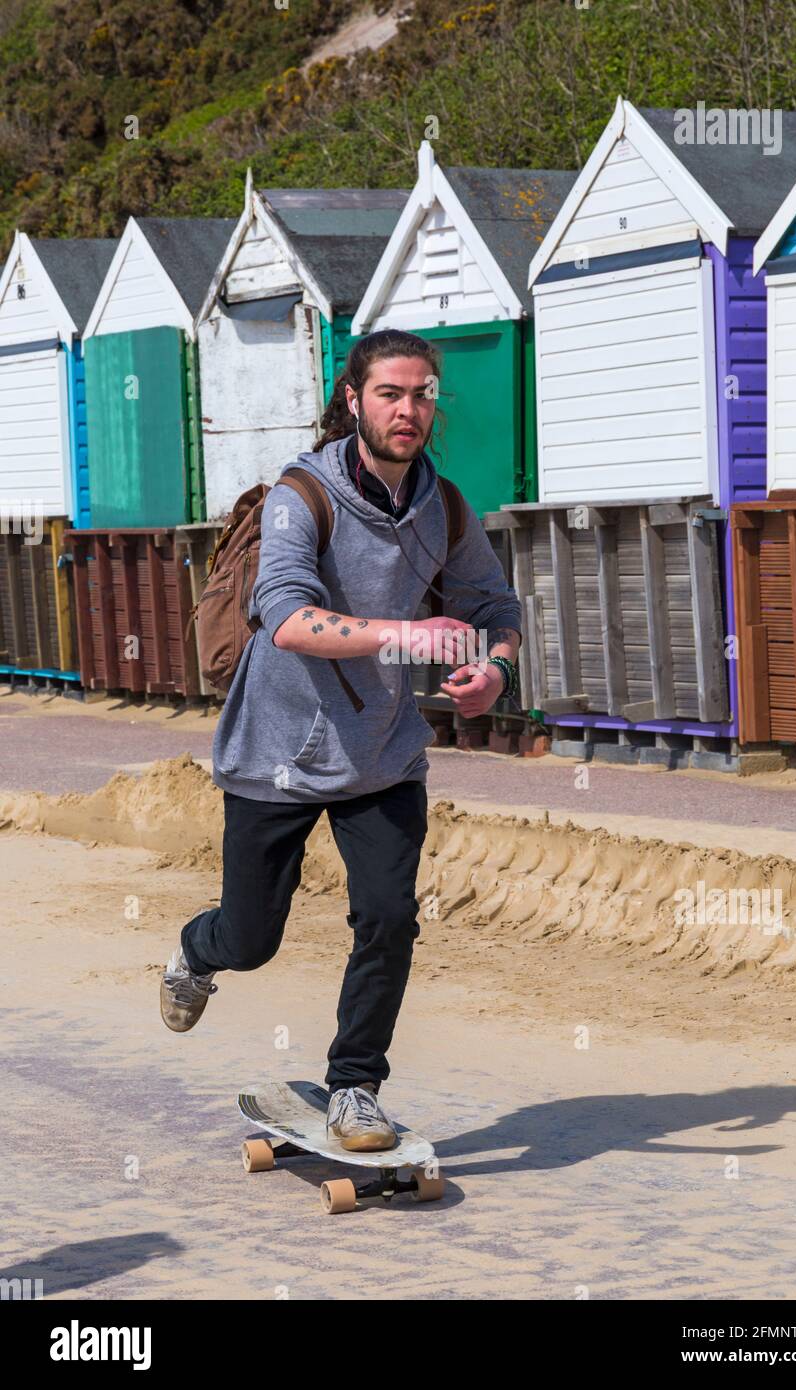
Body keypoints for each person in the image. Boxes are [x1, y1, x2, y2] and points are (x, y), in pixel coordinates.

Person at [160, 328, 522, 1152]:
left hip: (382, 756)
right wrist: (408, 637)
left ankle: (355, 1086)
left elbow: (499, 609)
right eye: (391, 393)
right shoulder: (302, 494)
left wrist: (496, 668)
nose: (409, 409)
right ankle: (194, 951)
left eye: (423, 394)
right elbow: (286, 618)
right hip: (277, 753)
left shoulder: (445, 504)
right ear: (353, 398)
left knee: (390, 917)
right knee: (251, 939)